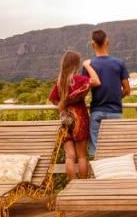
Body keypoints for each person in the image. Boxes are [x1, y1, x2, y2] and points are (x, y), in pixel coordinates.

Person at [48, 51, 98, 180]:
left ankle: (72, 185)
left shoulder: (59, 82)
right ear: (76, 65)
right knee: (82, 156)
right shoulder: (79, 80)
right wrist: (87, 65)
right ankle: (82, 186)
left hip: (65, 118)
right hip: (79, 117)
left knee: (70, 156)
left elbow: (53, 100)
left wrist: (64, 104)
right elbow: (95, 81)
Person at [82, 28, 129, 156]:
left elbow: (84, 90)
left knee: (96, 153)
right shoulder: (119, 63)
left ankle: (99, 175)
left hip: (96, 112)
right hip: (115, 112)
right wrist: (116, 97)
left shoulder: (89, 65)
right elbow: (127, 90)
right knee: (114, 150)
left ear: (93, 44)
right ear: (107, 42)